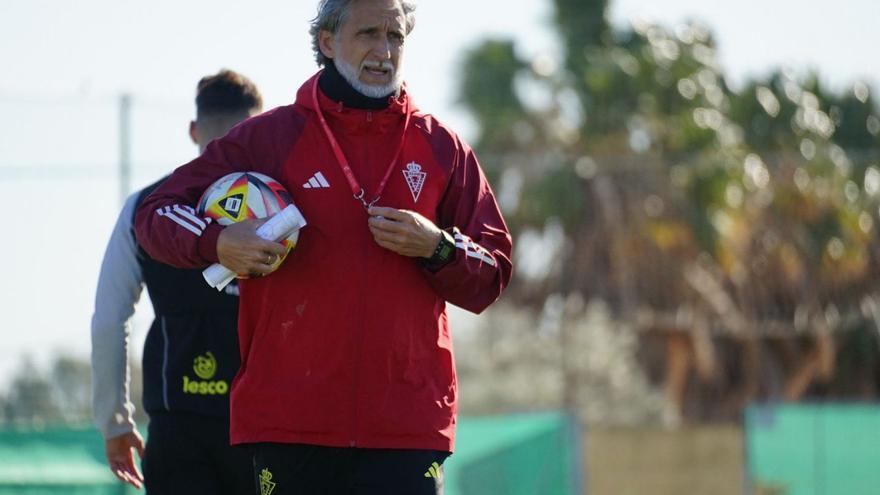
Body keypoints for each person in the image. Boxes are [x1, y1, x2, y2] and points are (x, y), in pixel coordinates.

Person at [134, 0, 513, 493]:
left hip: (406, 428)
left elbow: (495, 269)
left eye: (395, 37)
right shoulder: (269, 138)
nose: (383, 51)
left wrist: (437, 247)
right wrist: (220, 240)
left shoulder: (442, 146)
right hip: (290, 426)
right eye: (368, 34)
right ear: (328, 42)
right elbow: (155, 211)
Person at [91, 69, 263, 494]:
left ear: (193, 130)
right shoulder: (287, 209)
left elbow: (109, 320)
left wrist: (114, 420)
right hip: (269, 428)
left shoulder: (147, 206)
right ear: (260, 131)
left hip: (178, 427)